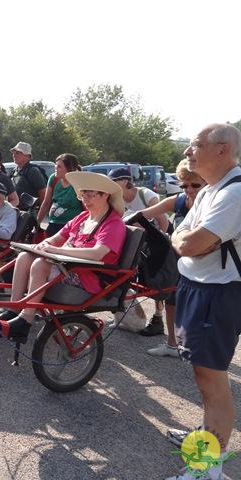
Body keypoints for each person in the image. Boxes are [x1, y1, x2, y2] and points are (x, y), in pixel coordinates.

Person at [163, 124, 241, 480]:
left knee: (212, 381)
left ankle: (207, 471)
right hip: (198, 286)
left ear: (223, 149)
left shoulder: (235, 193)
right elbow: (181, 236)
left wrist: (190, 240)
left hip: (217, 293)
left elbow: (191, 244)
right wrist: (189, 239)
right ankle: (204, 441)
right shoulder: (212, 190)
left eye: (194, 146)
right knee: (202, 375)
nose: (186, 152)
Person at [0, 171, 126, 342]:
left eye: (90, 196)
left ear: (105, 194)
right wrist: (46, 244)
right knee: (25, 257)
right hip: (70, 267)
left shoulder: (113, 223)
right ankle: (15, 309)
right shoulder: (83, 217)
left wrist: (58, 251)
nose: (86, 201)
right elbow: (57, 238)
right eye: (83, 196)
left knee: (41, 264)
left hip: (90, 277)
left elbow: (97, 253)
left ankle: (25, 320)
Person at [135, 160, 205, 357]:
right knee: (172, 301)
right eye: (183, 185)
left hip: (202, 265)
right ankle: (172, 344)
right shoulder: (180, 200)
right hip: (178, 261)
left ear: (205, 182)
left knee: (196, 308)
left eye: (194, 185)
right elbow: (143, 214)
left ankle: (200, 350)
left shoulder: (212, 204)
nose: (188, 189)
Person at [109, 166, 169, 336]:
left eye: (114, 182)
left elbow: (163, 222)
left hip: (158, 241)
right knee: (129, 275)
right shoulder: (117, 199)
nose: (111, 185)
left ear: (125, 181)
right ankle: (122, 313)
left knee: (156, 279)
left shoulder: (146, 195)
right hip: (138, 241)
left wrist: (158, 249)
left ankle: (157, 319)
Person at [36, 153, 84, 237]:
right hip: (53, 224)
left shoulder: (79, 182)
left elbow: (87, 207)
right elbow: (46, 203)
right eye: (55, 167)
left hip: (72, 227)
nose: (56, 169)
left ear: (69, 169)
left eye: (59, 167)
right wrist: (37, 224)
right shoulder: (53, 179)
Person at [9, 141, 47, 209]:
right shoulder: (14, 171)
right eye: (14, 153)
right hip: (17, 212)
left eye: (18, 152)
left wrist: (40, 215)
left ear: (27, 155)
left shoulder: (32, 171)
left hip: (30, 214)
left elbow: (43, 193)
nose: (14, 155)